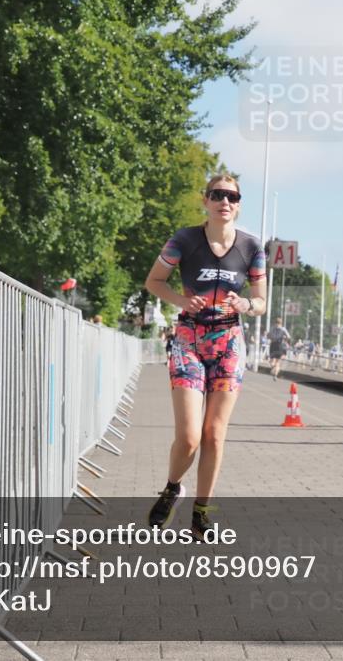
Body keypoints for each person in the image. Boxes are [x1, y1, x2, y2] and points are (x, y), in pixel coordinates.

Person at [143, 174, 266, 539]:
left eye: (232, 196)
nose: (224, 202)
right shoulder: (184, 240)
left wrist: (246, 302)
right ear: (206, 201)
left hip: (228, 341)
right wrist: (183, 301)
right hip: (189, 340)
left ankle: (201, 512)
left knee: (214, 434)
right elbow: (154, 281)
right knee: (190, 436)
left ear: (239, 204)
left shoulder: (251, 247)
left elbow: (260, 301)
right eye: (217, 195)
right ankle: (171, 487)